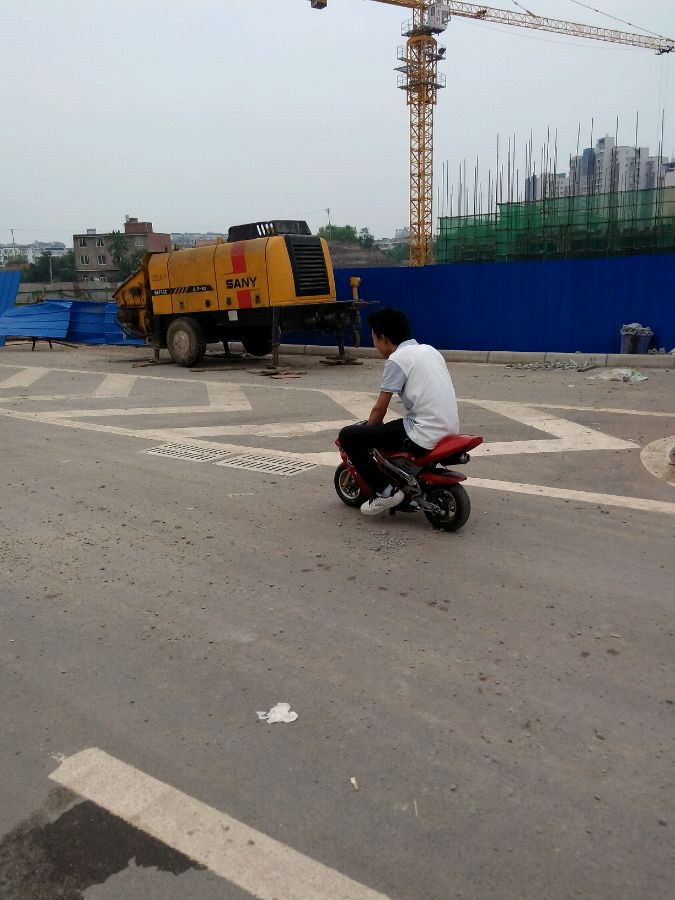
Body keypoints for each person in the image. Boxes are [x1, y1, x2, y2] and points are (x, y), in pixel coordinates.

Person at [338, 307, 460, 516]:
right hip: (450, 428)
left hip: (422, 434)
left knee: (349, 436)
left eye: (374, 338)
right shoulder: (430, 350)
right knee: (391, 429)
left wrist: (367, 431)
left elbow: (380, 409)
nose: (374, 344)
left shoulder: (397, 359)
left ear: (383, 338)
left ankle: (385, 492)